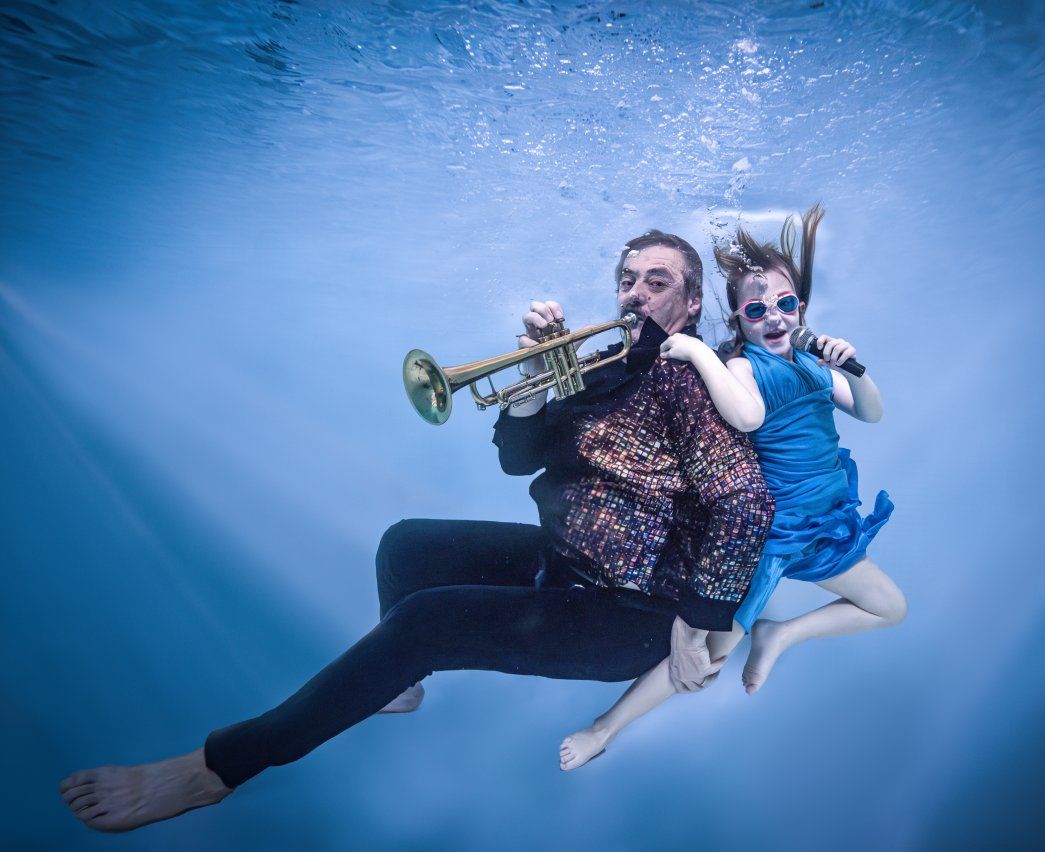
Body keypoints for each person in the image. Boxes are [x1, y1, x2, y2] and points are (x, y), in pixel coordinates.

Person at [58, 230, 775, 833]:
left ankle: (218, 768)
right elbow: (516, 460)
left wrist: (697, 622)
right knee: (405, 546)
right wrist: (531, 376)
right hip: (566, 562)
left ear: (688, 304)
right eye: (627, 280)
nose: (635, 295)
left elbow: (746, 505)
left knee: (426, 621)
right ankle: (393, 686)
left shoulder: (690, 382)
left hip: (634, 612)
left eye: (657, 282)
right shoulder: (596, 368)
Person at [559, 206, 906, 772]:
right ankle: (606, 727)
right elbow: (745, 418)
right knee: (706, 656)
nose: (773, 317)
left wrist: (857, 370)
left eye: (784, 305)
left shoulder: (817, 369)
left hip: (824, 523)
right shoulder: (744, 368)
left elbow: (871, 413)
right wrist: (699, 352)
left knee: (890, 607)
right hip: (772, 533)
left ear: (801, 308)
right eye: (755, 309)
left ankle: (780, 636)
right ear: (738, 321)